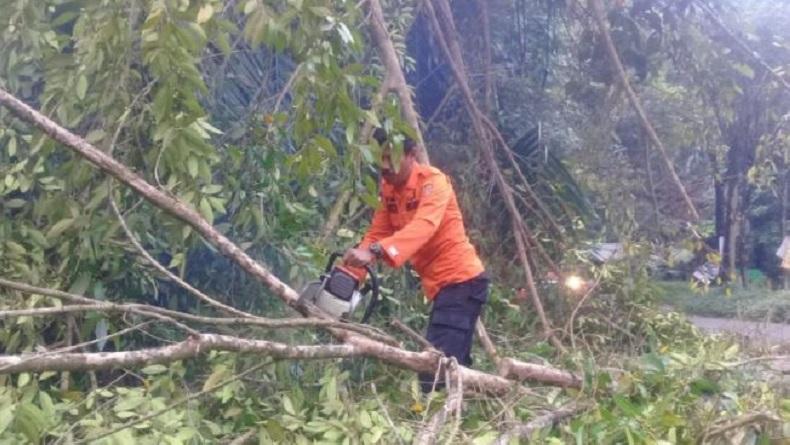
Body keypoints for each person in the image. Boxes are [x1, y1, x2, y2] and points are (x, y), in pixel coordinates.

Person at [343, 128, 489, 392]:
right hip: (442, 286)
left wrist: (374, 252)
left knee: (436, 371)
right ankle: (478, 404)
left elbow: (424, 226)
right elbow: (378, 231)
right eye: (381, 158)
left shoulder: (434, 182)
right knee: (453, 363)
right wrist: (349, 276)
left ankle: (442, 418)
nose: (385, 166)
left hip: (461, 281)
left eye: (392, 157)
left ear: (412, 155)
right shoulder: (389, 190)